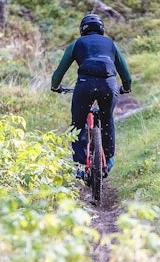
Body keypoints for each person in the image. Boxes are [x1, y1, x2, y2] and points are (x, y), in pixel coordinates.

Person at [50, 14, 132, 178]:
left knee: (77, 124)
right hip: (109, 85)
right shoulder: (111, 44)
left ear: (82, 29)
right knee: (107, 119)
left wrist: (55, 86)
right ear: (101, 29)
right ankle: (108, 160)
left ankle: (80, 167)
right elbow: (126, 76)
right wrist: (125, 88)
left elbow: (59, 72)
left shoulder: (76, 44)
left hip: (85, 84)